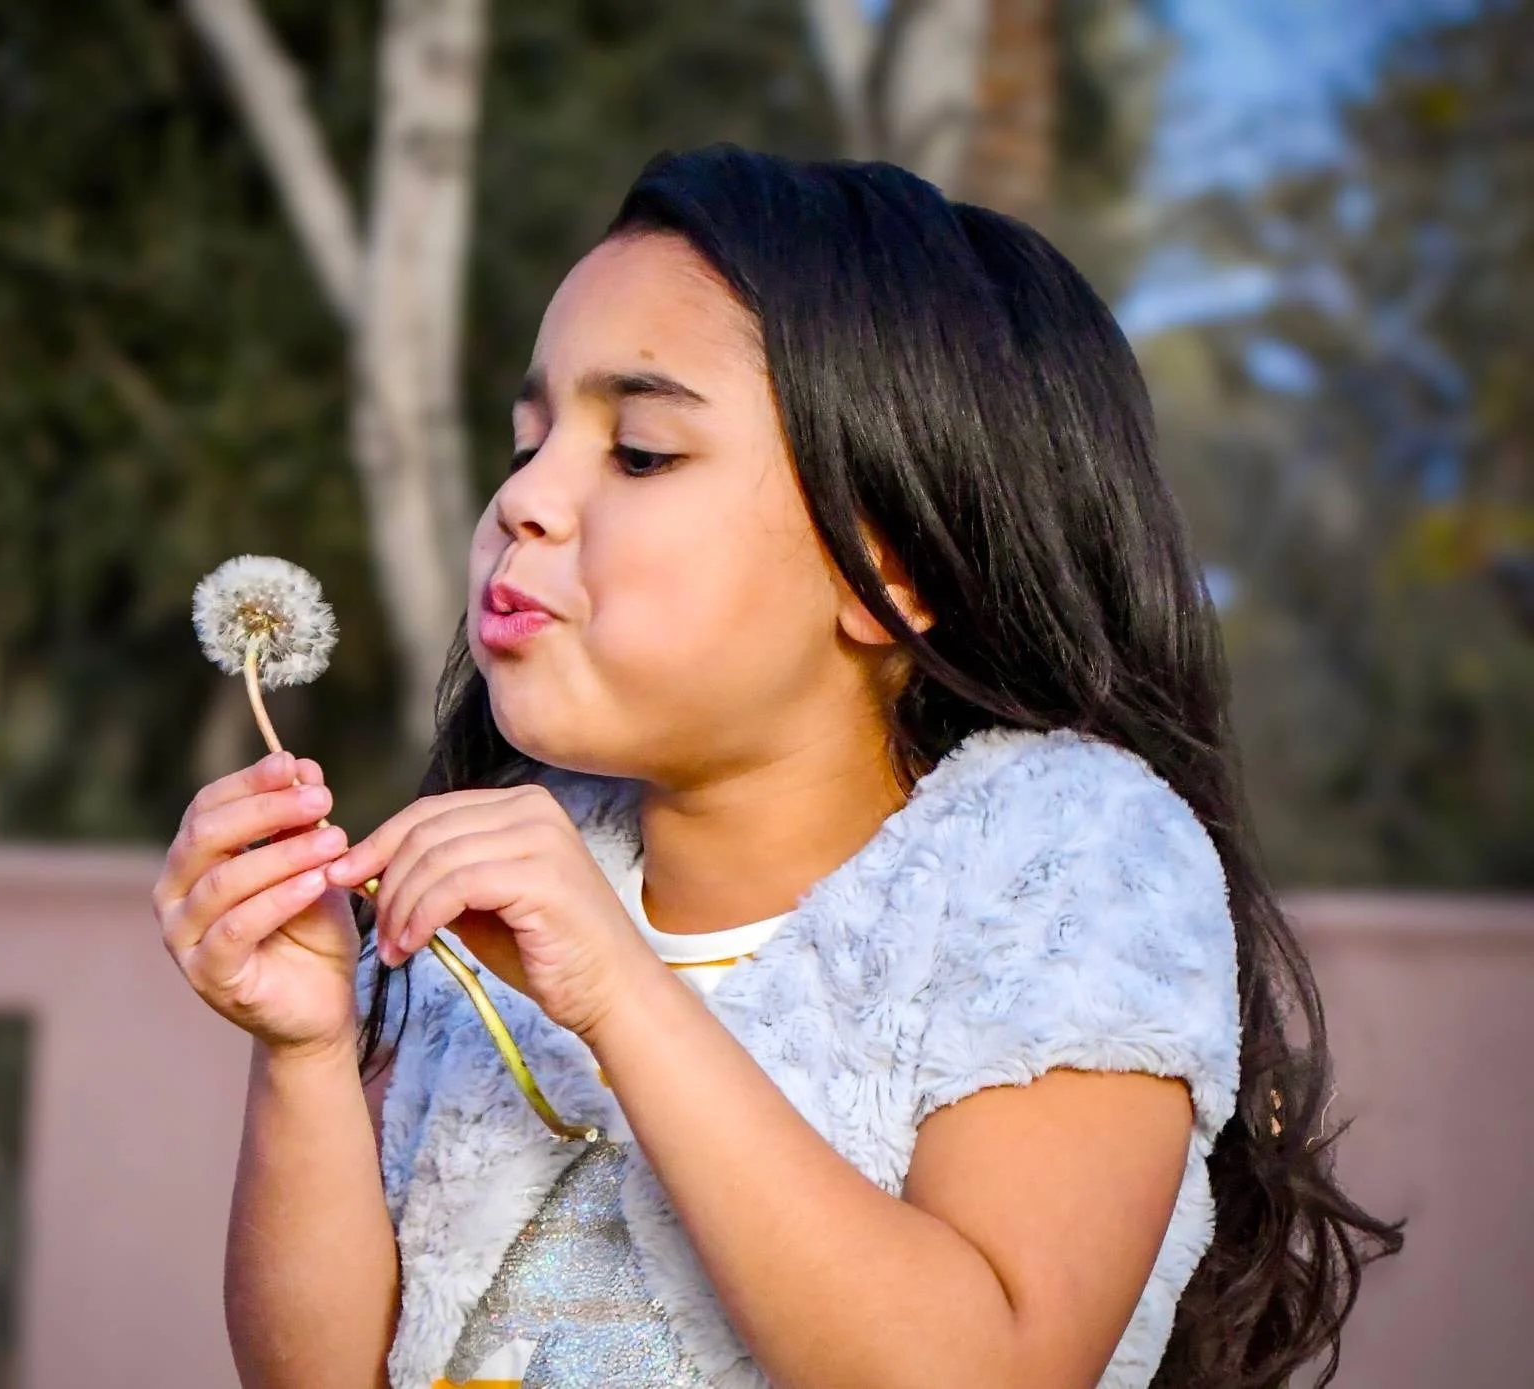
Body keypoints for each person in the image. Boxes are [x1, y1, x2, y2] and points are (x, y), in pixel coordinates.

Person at [153, 145, 1400, 1389]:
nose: (525, 500)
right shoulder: (498, 882)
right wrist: (308, 1057)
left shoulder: (1064, 865)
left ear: (893, 566)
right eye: (527, 441)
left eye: (637, 450)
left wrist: (621, 996)